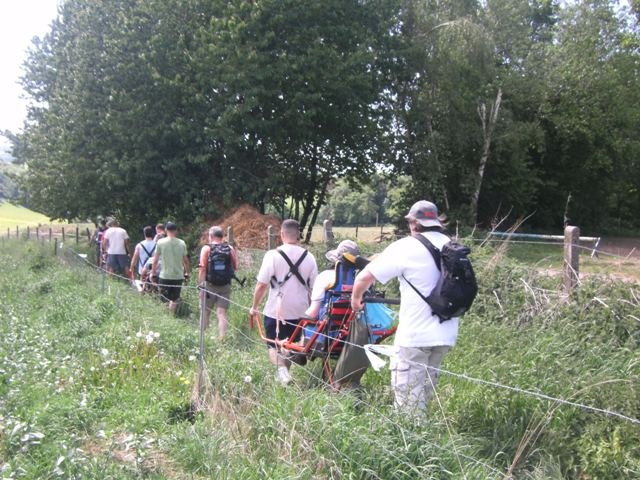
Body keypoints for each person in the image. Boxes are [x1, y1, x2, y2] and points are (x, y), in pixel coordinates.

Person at [351, 200, 457, 415]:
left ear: (413, 223)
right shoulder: (451, 245)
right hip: (446, 333)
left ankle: (411, 445)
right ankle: (422, 438)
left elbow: (365, 276)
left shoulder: (406, 246)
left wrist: (356, 299)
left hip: (415, 336)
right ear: (437, 222)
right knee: (423, 397)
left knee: (408, 403)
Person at [250, 219, 318, 385]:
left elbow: (261, 285)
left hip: (276, 310)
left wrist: (254, 307)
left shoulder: (273, 255)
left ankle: (283, 373)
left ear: (281, 234)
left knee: (274, 344)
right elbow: (314, 289)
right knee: (292, 344)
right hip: (301, 312)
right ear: (298, 235)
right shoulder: (309, 257)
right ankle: (286, 372)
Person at [198, 225, 238, 338]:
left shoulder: (206, 248)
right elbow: (235, 267)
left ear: (211, 236)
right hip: (225, 286)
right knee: (222, 314)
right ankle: (222, 339)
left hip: (209, 285)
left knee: (205, 312)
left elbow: (202, 269)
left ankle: (202, 338)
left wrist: (200, 287)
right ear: (222, 236)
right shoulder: (229, 249)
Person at [151, 221, 190, 314]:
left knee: (164, 298)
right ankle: (171, 315)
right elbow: (185, 261)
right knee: (174, 299)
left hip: (164, 275)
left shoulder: (160, 242)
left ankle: (165, 316)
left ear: (165, 230)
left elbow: (155, 260)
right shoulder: (182, 243)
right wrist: (187, 273)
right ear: (176, 231)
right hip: (178, 276)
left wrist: (153, 272)